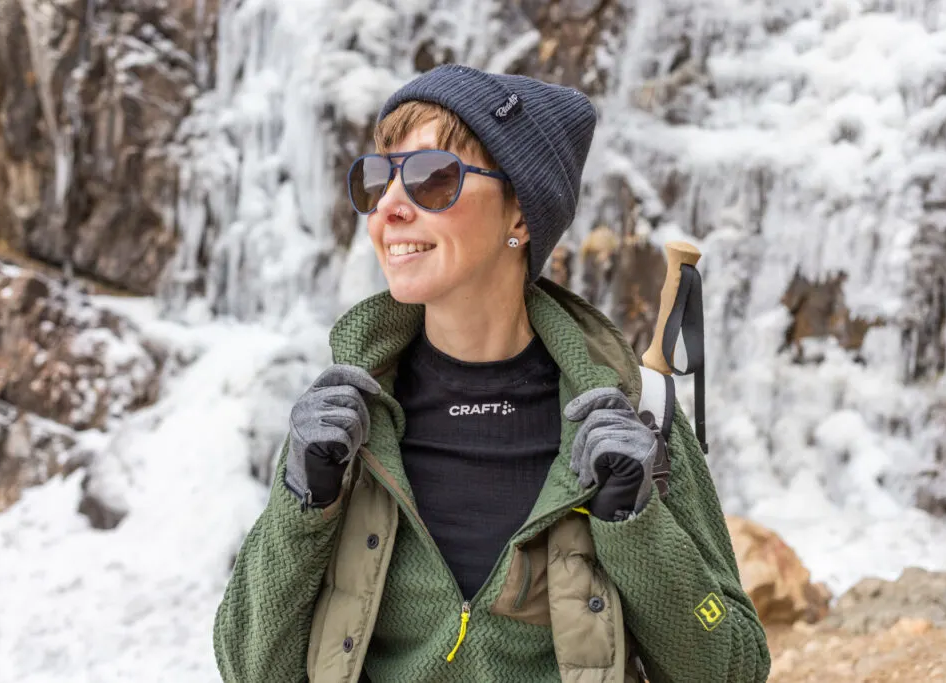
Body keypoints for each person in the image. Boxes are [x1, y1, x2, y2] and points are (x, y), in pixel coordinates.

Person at [212, 64, 770, 683]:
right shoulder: (346, 418)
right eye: (378, 179)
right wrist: (303, 504)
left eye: (431, 179)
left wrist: (634, 527)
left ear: (521, 217)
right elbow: (245, 666)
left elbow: (735, 669)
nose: (388, 208)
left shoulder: (632, 415)